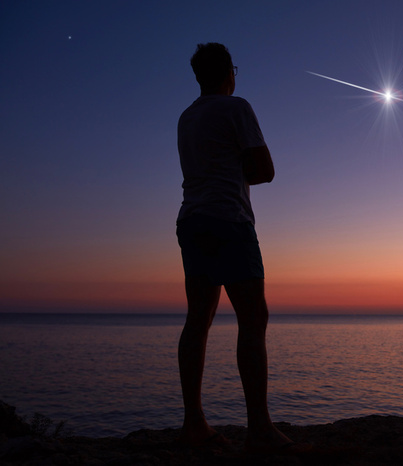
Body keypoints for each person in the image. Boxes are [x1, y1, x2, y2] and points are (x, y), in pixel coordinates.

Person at [175, 42, 305, 454]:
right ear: (228, 73)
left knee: (198, 318)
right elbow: (264, 171)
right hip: (229, 220)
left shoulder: (187, 117)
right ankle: (260, 428)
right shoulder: (236, 107)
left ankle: (194, 422)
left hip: (192, 219)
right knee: (253, 318)